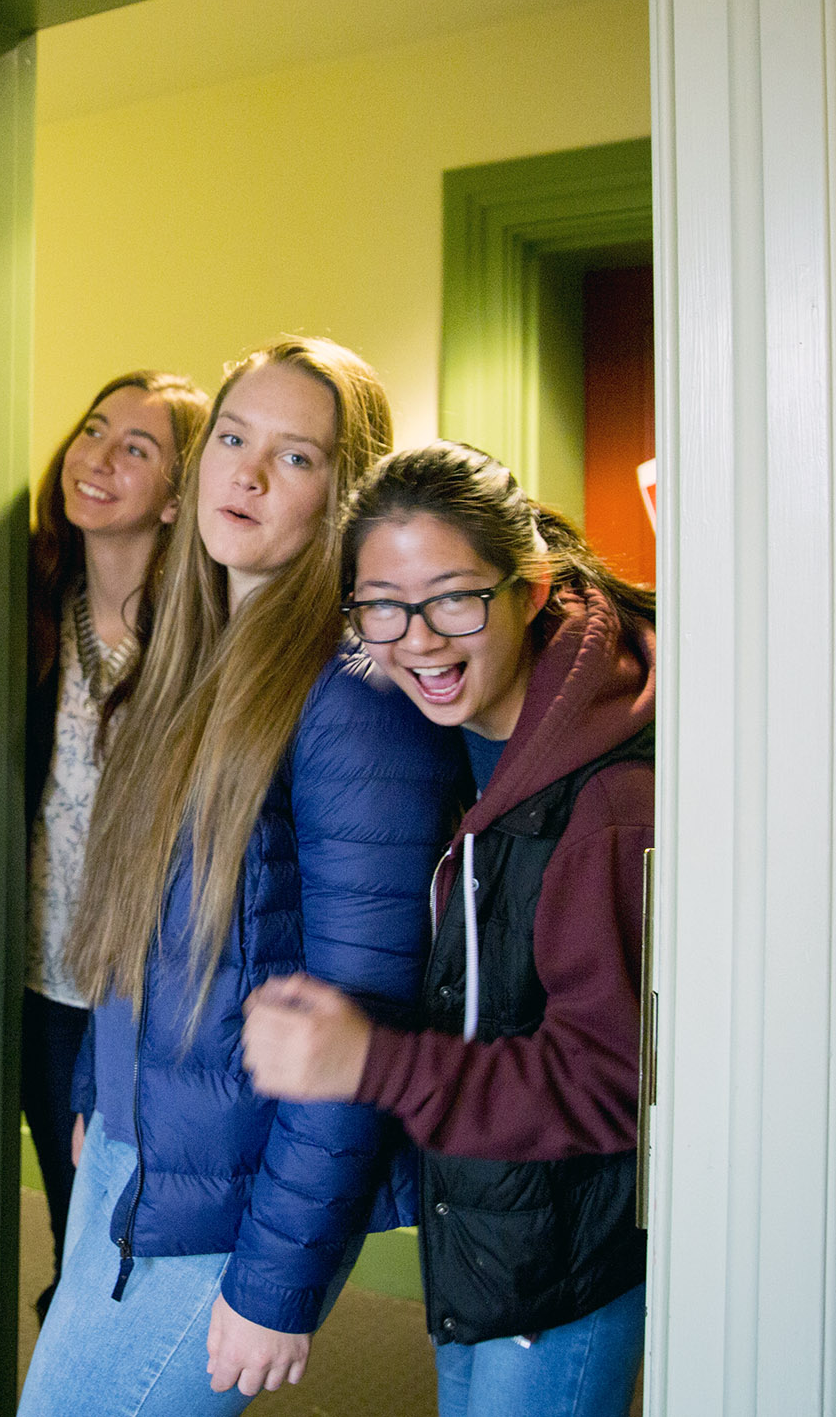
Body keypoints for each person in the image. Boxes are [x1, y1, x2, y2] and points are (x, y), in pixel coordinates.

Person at [18, 339, 470, 1416]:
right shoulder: (189, 659)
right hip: (133, 1154)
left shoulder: (354, 696)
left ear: (343, 493)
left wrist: (278, 1280)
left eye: (295, 455)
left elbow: (359, 1015)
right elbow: (141, 930)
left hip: (229, 1204)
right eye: (231, 437)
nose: (248, 474)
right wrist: (95, 1091)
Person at [240, 439, 656, 1417]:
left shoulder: (602, 798)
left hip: (559, 1262)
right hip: (479, 1225)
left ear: (530, 584)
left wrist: (369, 1064)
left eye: (453, 597)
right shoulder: (451, 733)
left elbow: (610, 1085)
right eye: (380, 604)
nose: (416, 638)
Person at [25, 369, 211, 1320]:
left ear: (179, 497)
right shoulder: (23, 604)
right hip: (33, 980)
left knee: (123, 1232)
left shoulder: (202, 640)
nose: (94, 457)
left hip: (140, 992)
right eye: (92, 429)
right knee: (68, 1221)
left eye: (135, 447)